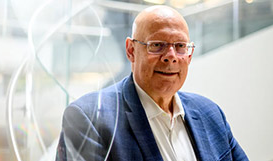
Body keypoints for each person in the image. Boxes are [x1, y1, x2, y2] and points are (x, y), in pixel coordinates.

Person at [56, 5, 248, 161]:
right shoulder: (89, 119)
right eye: (157, 45)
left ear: (189, 55)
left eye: (180, 46)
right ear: (131, 50)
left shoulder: (210, 113)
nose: (171, 57)